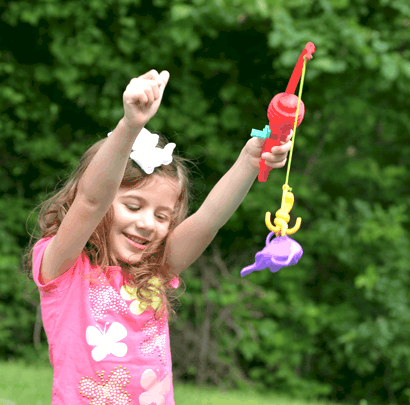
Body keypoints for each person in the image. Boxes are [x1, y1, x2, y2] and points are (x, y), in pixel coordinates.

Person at [26, 69, 292, 405]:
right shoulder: (64, 268)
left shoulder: (156, 270)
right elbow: (91, 202)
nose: (148, 224)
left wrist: (249, 161)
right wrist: (129, 126)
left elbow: (209, 220)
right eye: (133, 206)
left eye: (162, 216)